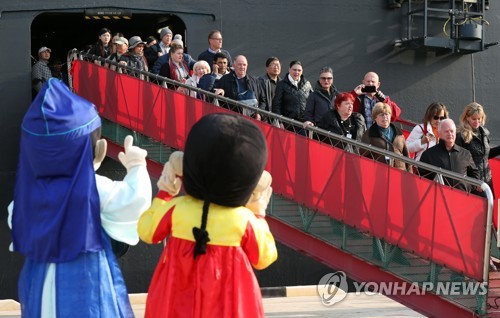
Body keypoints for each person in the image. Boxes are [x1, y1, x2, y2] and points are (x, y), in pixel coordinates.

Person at [9, 78, 152, 317]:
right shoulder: (94, 187)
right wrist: (137, 166)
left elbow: (16, 220)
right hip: (88, 279)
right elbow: (134, 201)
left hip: (40, 277)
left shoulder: (29, 195)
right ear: (99, 151)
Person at [138, 113, 278, 318]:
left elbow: (147, 231)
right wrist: (258, 213)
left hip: (174, 307)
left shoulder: (177, 209)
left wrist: (166, 191)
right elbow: (264, 257)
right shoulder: (243, 219)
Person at [420, 118, 480, 191]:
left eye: (452, 131)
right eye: (446, 131)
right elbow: (421, 179)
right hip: (437, 199)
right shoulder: (428, 155)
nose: (450, 134)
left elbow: (474, 174)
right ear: (439, 134)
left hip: (461, 198)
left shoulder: (465, 154)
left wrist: (466, 187)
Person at [455, 102, 500, 195]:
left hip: (487, 180)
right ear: (467, 117)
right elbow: (460, 162)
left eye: (479, 119)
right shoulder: (461, 136)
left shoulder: (484, 133)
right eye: (474, 119)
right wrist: (473, 182)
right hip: (473, 184)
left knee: (490, 208)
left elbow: (485, 155)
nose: (477, 122)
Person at [361, 102, 412, 172]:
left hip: (400, 173)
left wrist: (410, 173)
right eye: (381, 115)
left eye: (387, 114)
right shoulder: (369, 134)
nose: (385, 117)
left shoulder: (398, 132)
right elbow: (362, 156)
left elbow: (406, 155)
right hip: (380, 173)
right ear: (375, 117)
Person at [214, 55, 266, 120]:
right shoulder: (224, 80)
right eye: (239, 65)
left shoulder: (255, 81)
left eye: (244, 65)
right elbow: (214, 95)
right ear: (233, 66)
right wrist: (221, 92)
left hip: (253, 119)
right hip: (233, 119)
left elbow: (263, 100)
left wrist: (259, 114)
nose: (242, 67)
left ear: (247, 66)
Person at [272, 60, 313, 134]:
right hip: (287, 125)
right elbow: (276, 105)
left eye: (299, 70)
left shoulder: (307, 84)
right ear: (289, 69)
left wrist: (310, 120)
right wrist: (280, 122)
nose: (296, 72)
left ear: (302, 71)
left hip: (304, 125)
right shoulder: (281, 85)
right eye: (294, 70)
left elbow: (312, 104)